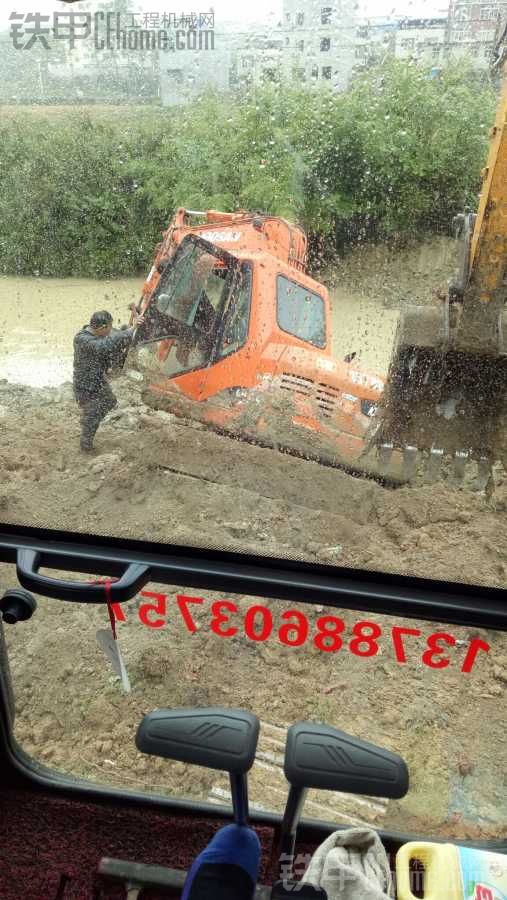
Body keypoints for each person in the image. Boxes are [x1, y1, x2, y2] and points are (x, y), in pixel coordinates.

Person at [73, 309, 144, 453]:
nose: (111, 330)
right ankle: (86, 445)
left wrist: (130, 328)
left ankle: (88, 418)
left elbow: (115, 336)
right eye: (109, 327)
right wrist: (131, 329)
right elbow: (103, 346)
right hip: (84, 384)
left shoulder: (98, 333)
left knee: (110, 400)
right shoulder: (82, 339)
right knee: (93, 412)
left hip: (97, 379)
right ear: (102, 328)